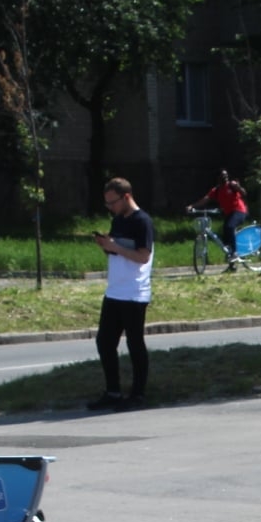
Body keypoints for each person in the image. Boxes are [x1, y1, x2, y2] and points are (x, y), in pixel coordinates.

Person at [89, 176, 155, 412]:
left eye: (113, 202)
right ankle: (113, 391)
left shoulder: (142, 221)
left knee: (135, 342)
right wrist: (107, 246)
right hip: (115, 291)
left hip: (134, 293)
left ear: (126, 197)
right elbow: (119, 251)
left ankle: (138, 394)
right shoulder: (118, 220)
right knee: (105, 341)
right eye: (107, 203)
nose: (110, 207)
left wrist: (115, 247)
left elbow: (142, 256)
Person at [189, 169, 248, 268]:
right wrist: (192, 206)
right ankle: (231, 264)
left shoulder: (232, 185)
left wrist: (239, 187)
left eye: (226, 175)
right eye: (222, 176)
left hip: (239, 211)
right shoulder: (216, 191)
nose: (225, 177)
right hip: (229, 214)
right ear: (218, 178)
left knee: (230, 227)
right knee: (225, 237)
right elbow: (205, 200)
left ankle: (235, 253)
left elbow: (244, 193)